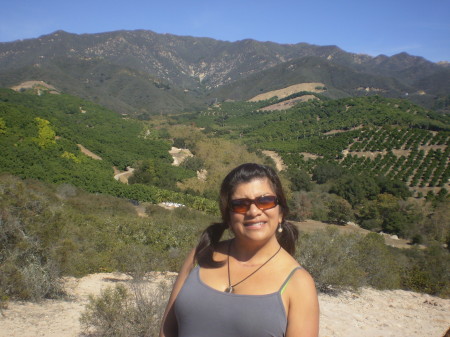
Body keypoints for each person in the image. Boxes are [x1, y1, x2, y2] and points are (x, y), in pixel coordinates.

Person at [160, 163, 319, 337]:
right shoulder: (200, 256)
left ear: (280, 212)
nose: (253, 211)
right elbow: (167, 330)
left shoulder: (299, 283)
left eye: (265, 201)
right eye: (240, 205)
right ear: (228, 215)